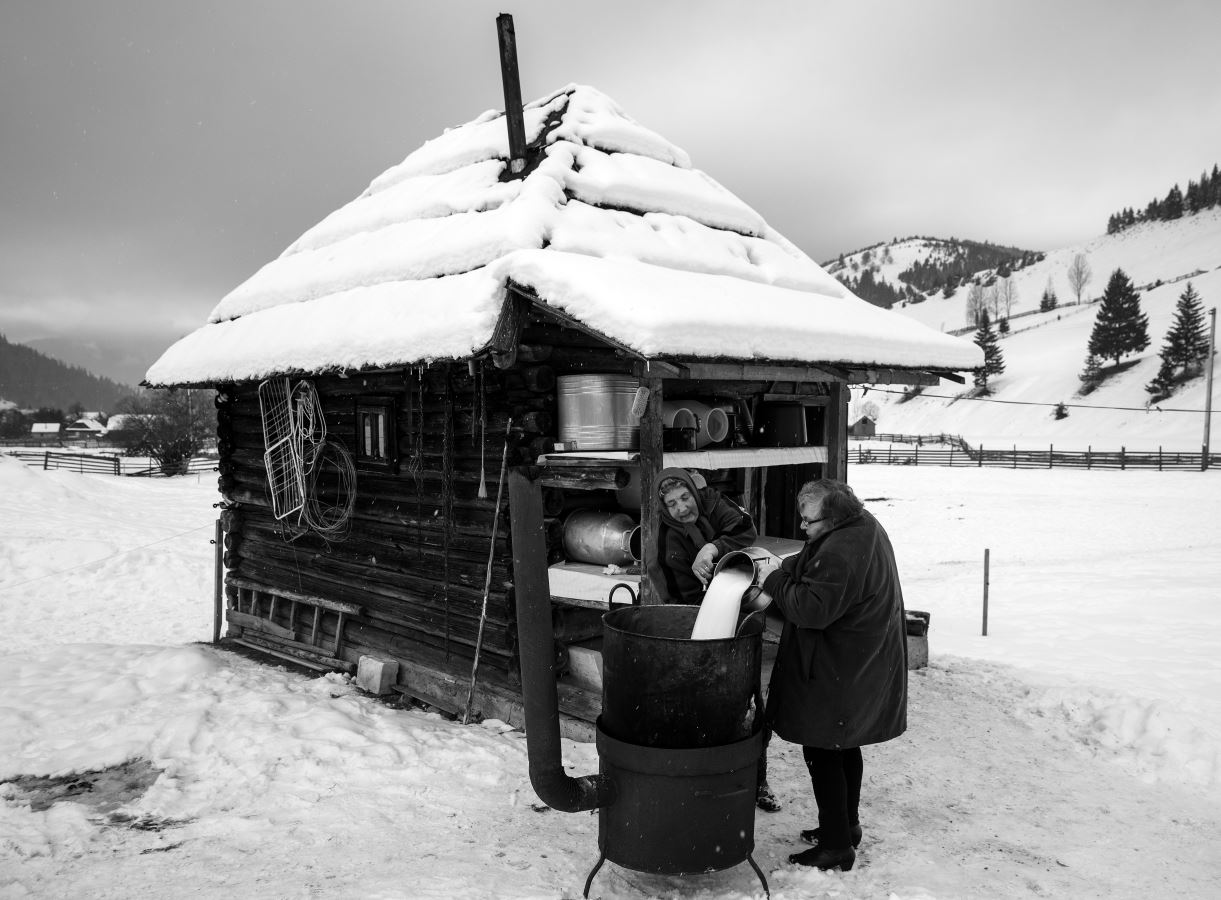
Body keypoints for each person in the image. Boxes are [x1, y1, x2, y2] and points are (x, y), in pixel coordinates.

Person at [755, 478, 908, 872]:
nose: (803, 529)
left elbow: (809, 609)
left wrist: (773, 580)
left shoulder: (842, 550)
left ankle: (837, 846)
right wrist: (787, 567)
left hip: (839, 663)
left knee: (822, 747)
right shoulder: (862, 524)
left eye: (809, 522)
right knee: (843, 743)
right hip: (858, 658)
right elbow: (814, 563)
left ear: (835, 517)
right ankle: (846, 826)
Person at [655, 467, 781, 813]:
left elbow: (744, 529)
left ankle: (757, 781)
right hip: (704, 622)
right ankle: (702, 778)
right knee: (701, 706)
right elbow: (673, 593)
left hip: (742, 614)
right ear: (664, 509)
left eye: (684, 498)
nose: (681, 508)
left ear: (694, 494)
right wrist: (692, 628)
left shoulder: (713, 502)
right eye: (671, 504)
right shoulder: (668, 540)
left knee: (749, 702)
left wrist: (711, 547)